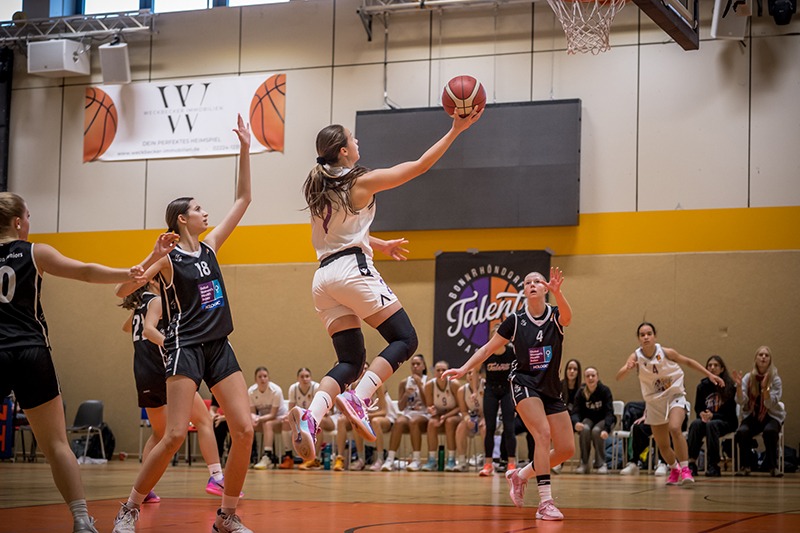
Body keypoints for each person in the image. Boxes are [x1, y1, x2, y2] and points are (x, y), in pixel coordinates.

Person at [289, 107, 483, 464]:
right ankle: (360, 397)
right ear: (343, 150)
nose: (357, 141)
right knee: (405, 339)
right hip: (352, 271)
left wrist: (379, 244)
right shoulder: (359, 181)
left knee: (350, 361)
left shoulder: (319, 185)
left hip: (323, 278)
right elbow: (419, 166)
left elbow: (340, 232)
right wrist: (456, 130)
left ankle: (311, 416)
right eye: (352, 138)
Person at [112, 115, 254, 533]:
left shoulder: (210, 247)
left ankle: (226, 517)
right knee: (174, 435)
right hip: (184, 347)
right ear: (181, 219)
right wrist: (152, 253)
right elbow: (123, 289)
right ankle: (129, 508)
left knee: (244, 429)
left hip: (219, 344)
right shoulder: (167, 259)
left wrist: (245, 148)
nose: (205, 212)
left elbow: (244, 198)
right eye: (197, 208)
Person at [0, 192, 145, 533]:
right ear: (18, 222)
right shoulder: (34, 251)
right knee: (56, 444)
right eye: (28, 217)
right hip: (31, 351)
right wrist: (128, 272)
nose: (29, 223)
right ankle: (81, 519)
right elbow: (85, 272)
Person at [443, 267, 575, 521]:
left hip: (550, 387)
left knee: (566, 449)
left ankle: (520, 475)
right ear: (524, 290)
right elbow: (486, 349)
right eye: (527, 282)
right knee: (542, 434)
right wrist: (464, 368)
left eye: (537, 281)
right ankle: (545, 503)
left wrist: (559, 294)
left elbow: (568, 318)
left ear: (545, 288)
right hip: (524, 382)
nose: (532, 284)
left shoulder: (555, 315)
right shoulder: (515, 320)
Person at [120, 283, 230, 500]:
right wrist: (172, 344)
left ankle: (144, 487)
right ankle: (216, 477)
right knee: (204, 421)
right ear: (154, 282)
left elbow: (127, 328)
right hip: (165, 372)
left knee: (159, 433)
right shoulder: (158, 301)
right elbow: (149, 330)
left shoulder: (140, 309)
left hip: (143, 376)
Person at [616, 322, 724, 487]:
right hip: (654, 402)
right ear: (638, 339)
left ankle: (686, 469)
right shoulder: (636, 356)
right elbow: (619, 376)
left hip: (674, 395)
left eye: (649, 333)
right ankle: (674, 469)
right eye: (642, 335)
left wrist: (709, 374)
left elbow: (688, 361)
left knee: (674, 428)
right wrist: (627, 368)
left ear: (655, 336)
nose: (646, 337)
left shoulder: (666, 352)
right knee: (663, 445)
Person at [733, 346, 785, 477]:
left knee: (770, 431)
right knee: (742, 432)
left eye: (766, 355)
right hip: (753, 415)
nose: (763, 357)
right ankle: (746, 466)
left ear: (770, 360)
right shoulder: (748, 377)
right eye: (760, 355)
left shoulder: (775, 379)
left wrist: (765, 388)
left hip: (771, 415)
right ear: (755, 359)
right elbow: (741, 401)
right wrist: (739, 387)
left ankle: (772, 467)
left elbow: (770, 404)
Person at [686, 355, 738, 477]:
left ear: (722, 369)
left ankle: (713, 465)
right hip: (708, 420)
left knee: (712, 425)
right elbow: (698, 407)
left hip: (726, 421)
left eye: (716, 365)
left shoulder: (729, 386)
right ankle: (691, 463)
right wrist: (702, 414)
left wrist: (712, 416)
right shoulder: (702, 386)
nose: (712, 368)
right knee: (695, 424)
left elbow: (730, 411)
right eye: (709, 365)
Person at [477, 325, 516, 477]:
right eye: (495, 335)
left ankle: (511, 463)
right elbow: (474, 371)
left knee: (509, 427)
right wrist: (474, 390)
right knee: (490, 427)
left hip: (507, 390)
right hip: (491, 390)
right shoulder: (486, 352)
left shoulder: (512, 352)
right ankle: (488, 464)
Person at [381, 353, 429, 471]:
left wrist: (420, 386)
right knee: (398, 422)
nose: (415, 366)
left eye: (418, 364)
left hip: (424, 414)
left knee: (414, 421)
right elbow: (401, 407)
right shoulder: (404, 382)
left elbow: (428, 403)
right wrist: (406, 395)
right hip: (408, 414)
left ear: (423, 366)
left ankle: (416, 459)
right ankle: (390, 459)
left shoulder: (428, 381)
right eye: (413, 364)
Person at [572, 366, 615, 475]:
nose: (590, 378)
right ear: (585, 378)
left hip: (603, 420)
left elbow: (609, 412)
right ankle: (584, 463)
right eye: (588, 376)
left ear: (597, 377)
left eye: (593, 375)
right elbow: (575, 411)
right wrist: (576, 422)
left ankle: (601, 464)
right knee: (585, 429)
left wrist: (606, 429)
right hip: (589, 419)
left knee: (596, 431)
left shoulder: (604, 391)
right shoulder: (581, 392)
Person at [421, 360, 462, 471]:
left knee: (449, 422)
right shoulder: (429, 385)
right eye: (438, 370)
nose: (441, 372)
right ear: (434, 372)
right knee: (431, 423)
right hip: (439, 414)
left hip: (454, 414)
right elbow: (430, 405)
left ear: (448, 372)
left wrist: (446, 416)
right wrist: (432, 411)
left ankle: (451, 459)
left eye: (443, 370)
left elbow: (460, 407)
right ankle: (432, 460)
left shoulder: (454, 384)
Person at [249, 366, 287, 470]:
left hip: (279, 419)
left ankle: (268, 456)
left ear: (268, 378)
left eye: (265, 376)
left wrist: (258, 419)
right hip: (262, 419)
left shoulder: (276, 391)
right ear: (255, 379)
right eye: (260, 377)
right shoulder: (251, 391)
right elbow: (252, 413)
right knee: (248, 425)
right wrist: (253, 419)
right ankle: (250, 455)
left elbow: (272, 415)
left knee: (268, 424)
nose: (263, 379)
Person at [280, 367, 319, 469]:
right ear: (298, 378)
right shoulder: (293, 388)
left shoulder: (316, 387)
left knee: (318, 424)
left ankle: (312, 458)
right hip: (299, 419)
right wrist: (287, 416)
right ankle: (288, 457)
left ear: (311, 378)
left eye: (307, 376)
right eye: (302, 376)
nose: (305, 379)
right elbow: (291, 410)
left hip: (313, 418)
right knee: (285, 423)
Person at [552, 358, 581, 474]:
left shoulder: (582, 389)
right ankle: (555, 462)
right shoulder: (559, 386)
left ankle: (583, 463)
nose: (572, 371)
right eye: (569, 368)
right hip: (561, 420)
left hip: (576, 421)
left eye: (575, 369)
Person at [453, 368, 485, 472]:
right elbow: (463, 411)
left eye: (473, 373)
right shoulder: (462, 390)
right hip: (473, 418)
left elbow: (493, 407)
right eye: (468, 373)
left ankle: (487, 461)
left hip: (489, 417)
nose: (470, 375)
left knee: (484, 428)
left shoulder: (486, 385)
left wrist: (484, 418)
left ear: (480, 375)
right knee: (461, 427)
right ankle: (462, 461)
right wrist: (467, 420)